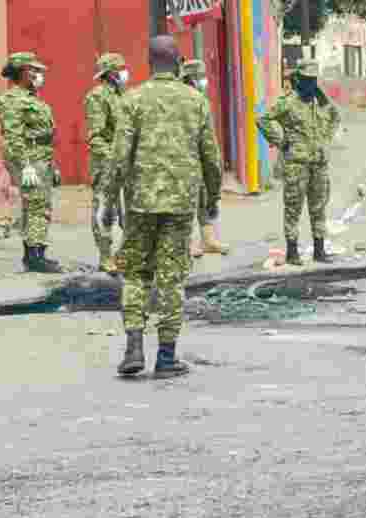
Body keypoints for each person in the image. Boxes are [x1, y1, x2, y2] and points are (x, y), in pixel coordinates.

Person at [111, 36, 223, 378]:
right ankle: (166, 356)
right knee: (171, 278)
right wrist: (212, 198)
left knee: (136, 274)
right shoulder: (195, 102)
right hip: (179, 204)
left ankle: (133, 345)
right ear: (178, 63)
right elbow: (211, 159)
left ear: (149, 63)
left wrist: (106, 198)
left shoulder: (132, 101)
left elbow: (119, 157)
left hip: (141, 203)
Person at [257, 59, 341, 266]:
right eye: (307, 79)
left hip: (319, 163)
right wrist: (281, 141)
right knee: (293, 207)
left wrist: (325, 140)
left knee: (319, 206)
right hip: (297, 163)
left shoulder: (321, 100)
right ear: (299, 79)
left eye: (314, 79)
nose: (311, 84)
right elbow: (263, 119)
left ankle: (319, 250)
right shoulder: (289, 102)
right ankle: (292, 251)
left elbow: (335, 117)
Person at [0, 52, 62, 273]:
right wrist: (25, 165)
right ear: (21, 72)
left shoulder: (33, 98)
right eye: (32, 70)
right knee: (35, 205)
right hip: (29, 158)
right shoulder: (11, 99)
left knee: (40, 205)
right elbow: (13, 136)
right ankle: (34, 256)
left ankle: (35, 253)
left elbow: (43, 134)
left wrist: (53, 164)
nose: (38, 74)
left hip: (42, 156)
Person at [179, 59, 230, 258]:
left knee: (203, 197)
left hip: (199, 155)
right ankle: (188, 243)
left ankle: (208, 240)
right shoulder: (183, 99)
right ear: (191, 78)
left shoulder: (199, 98)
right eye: (200, 77)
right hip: (185, 157)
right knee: (187, 200)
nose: (204, 80)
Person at [85, 53, 129, 275]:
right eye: (121, 68)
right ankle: (105, 256)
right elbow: (96, 136)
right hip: (106, 164)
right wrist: (113, 158)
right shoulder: (97, 97)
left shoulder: (124, 96)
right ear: (110, 73)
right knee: (105, 211)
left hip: (127, 163)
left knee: (130, 211)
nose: (124, 72)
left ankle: (124, 254)